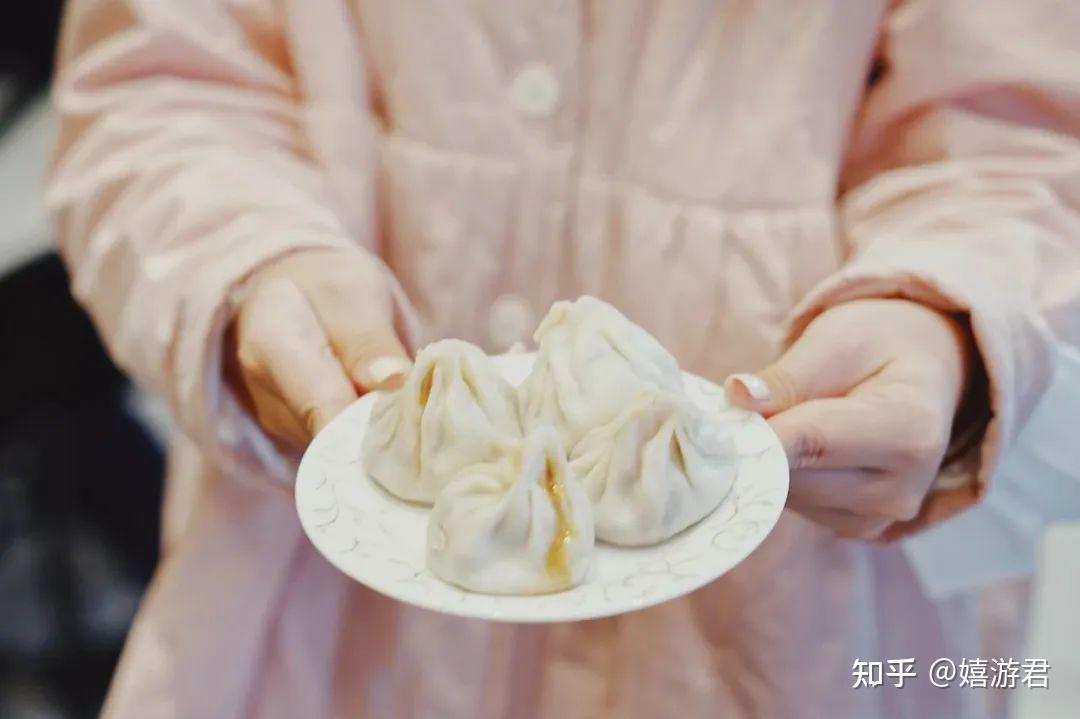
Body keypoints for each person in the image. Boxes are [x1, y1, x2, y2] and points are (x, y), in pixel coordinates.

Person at [46, 1, 1080, 717]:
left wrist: (941, 312)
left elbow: (1024, 136)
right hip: (319, 632)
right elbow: (163, 81)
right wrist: (251, 258)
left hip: (807, 624)